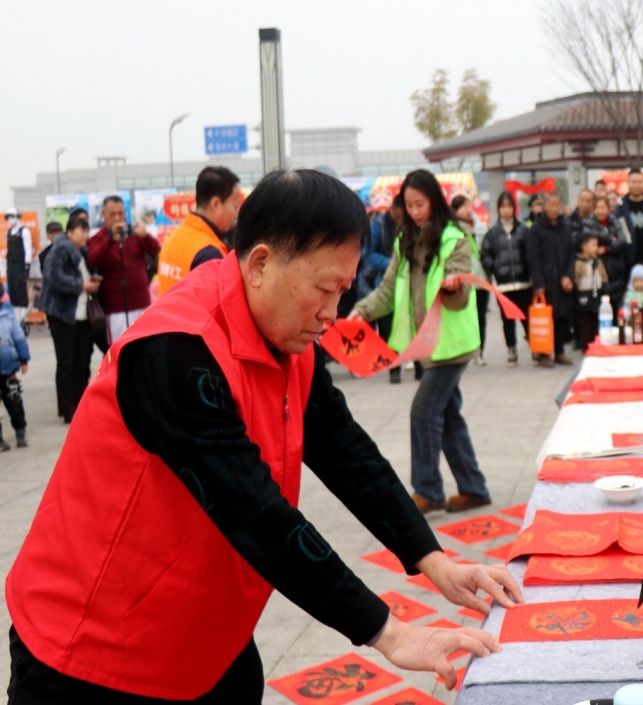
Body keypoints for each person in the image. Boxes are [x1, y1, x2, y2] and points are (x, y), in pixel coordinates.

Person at [7, 170, 520, 702]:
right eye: (324, 289)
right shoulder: (176, 354)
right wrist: (388, 632)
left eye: (344, 291)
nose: (332, 314)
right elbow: (256, 513)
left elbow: (342, 445)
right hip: (90, 649)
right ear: (259, 264)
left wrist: (432, 559)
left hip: (204, 633)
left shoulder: (288, 334)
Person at [351, 169, 492, 513]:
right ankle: (474, 488)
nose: (414, 211)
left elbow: (460, 297)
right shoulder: (405, 240)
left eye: (420, 204)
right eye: (409, 205)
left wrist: (454, 286)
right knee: (448, 415)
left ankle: (427, 491)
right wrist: (363, 311)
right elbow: (387, 290)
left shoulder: (454, 239)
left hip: (451, 344)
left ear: (434, 201)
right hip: (426, 345)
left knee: (424, 411)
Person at [41, 216, 99, 422]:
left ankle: (80, 404)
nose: (86, 235)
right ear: (70, 232)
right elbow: (53, 276)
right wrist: (81, 285)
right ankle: (68, 409)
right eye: (82, 230)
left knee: (81, 361)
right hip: (62, 315)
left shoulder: (81, 252)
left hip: (82, 316)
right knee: (66, 363)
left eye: (86, 230)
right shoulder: (60, 250)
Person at [156, 166, 242, 296]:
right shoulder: (207, 253)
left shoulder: (174, 238)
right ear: (216, 204)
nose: (236, 214)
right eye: (235, 206)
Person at [87, 195, 161, 343]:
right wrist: (110, 241)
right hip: (116, 310)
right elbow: (93, 260)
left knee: (144, 350)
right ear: (103, 215)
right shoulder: (99, 238)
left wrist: (146, 236)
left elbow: (155, 250)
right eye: (112, 214)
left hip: (142, 304)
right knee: (119, 351)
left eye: (120, 213)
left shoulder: (135, 233)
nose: (117, 218)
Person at [480, 192, 532, 367]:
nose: (506, 210)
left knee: (527, 317)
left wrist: (527, 267)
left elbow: (530, 254)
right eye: (503, 207)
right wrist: (495, 267)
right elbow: (485, 256)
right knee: (507, 320)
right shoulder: (492, 233)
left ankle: (535, 346)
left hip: (524, 283)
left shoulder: (523, 229)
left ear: (514, 208)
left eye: (509, 206)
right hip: (504, 286)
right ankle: (512, 349)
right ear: (498, 209)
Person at [526, 194, 576, 367]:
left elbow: (572, 254)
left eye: (557, 205)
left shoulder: (566, 227)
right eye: (551, 205)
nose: (555, 208)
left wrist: (569, 276)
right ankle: (544, 353)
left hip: (563, 280)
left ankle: (560, 352)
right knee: (546, 319)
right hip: (546, 282)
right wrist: (539, 283)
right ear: (545, 206)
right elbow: (533, 259)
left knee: (562, 318)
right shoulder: (537, 229)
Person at [366, 195, 404, 381]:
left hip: (406, 285)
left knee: (410, 323)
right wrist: (389, 263)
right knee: (387, 328)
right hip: (384, 282)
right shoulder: (378, 225)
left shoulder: (409, 225)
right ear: (393, 208)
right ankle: (393, 369)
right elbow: (369, 253)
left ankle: (420, 365)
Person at [450, 195, 488, 367]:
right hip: (464, 280)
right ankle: (465, 349)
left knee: (481, 315)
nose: (467, 209)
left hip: (480, 278)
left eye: (468, 205)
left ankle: (480, 351)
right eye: (461, 207)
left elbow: (487, 246)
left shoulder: (479, 228)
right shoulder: (454, 230)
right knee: (465, 316)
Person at [0, 288, 30, 450]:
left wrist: (23, 359)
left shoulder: (9, 314)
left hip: (8, 367)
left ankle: (20, 431)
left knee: (14, 400)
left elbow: (19, 337)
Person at [614, 169, 643, 266]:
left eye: (639, 182)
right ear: (628, 183)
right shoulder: (620, 207)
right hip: (628, 258)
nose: (636, 185)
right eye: (633, 182)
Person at [572, 231, 608, 351]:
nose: (596, 248)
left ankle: (596, 345)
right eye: (593, 245)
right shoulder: (579, 263)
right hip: (584, 296)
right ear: (584, 247)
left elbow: (604, 276)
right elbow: (575, 280)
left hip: (597, 295)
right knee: (585, 324)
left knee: (595, 323)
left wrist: (604, 287)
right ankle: (585, 347)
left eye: (597, 245)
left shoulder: (598, 262)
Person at [5, 208, 33, 323]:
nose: (11, 219)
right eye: (9, 217)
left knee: (20, 289)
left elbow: (28, 249)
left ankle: (23, 318)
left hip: (20, 264)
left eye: (13, 216)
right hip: (10, 264)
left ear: (18, 216)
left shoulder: (24, 231)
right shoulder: (9, 232)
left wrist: (27, 265)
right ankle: (16, 317)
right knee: (12, 290)